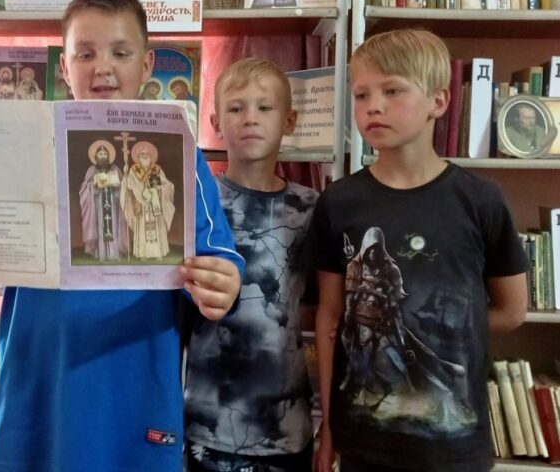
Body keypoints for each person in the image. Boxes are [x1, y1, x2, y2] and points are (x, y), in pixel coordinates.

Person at [0, 0, 244, 472]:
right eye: (85, 53)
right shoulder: (23, 147)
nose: (103, 67)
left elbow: (217, 258)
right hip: (35, 393)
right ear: (64, 66)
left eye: (121, 52)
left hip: (132, 396)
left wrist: (223, 284)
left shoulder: (180, 153)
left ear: (147, 65)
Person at [300, 29, 528, 472]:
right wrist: (328, 425)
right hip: (362, 443)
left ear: (438, 102)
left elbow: (512, 310)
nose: (374, 106)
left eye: (392, 91)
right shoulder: (339, 202)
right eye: (362, 94)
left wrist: (441, 327)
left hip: (454, 448)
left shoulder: (480, 200)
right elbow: (329, 318)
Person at [184, 57, 318, 472]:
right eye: (236, 108)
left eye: (264, 107)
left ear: (289, 120)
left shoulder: (312, 209)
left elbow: (319, 309)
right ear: (215, 123)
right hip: (208, 423)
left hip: (285, 427)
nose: (250, 119)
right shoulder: (196, 205)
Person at [120, 140, 175, 259]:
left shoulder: (157, 169)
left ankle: (158, 253)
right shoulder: (133, 170)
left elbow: (168, 185)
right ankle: (143, 254)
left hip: (155, 204)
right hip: (140, 204)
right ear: (138, 157)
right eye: (142, 154)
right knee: (142, 226)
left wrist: (160, 189)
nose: (144, 156)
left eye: (147, 154)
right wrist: (125, 178)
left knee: (156, 226)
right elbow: (129, 186)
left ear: (151, 157)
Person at [79, 139, 128, 261]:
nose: (103, 156)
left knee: (113, 226)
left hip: (112, 201)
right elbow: (84, 188)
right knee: (100, 226)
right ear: (96, 156)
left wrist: (118, 185)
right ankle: (100, 254)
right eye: (100, 154)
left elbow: (123, 186)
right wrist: (93, 184)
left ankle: (114, 254)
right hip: (98, 203)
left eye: (105, 154)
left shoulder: (115, 169)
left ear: (108, 156)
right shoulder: (92, 170)